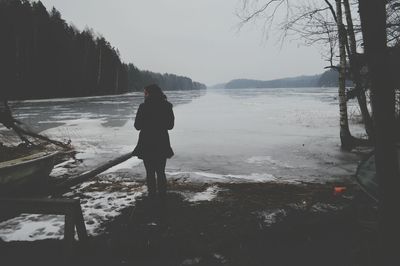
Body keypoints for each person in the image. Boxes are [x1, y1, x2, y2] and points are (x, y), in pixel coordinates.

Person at [132, 84, 174, 199]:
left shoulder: (143, 107)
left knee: (150, 173)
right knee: (161, 172)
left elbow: (137, 126)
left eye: (145, 93)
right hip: (162, 142)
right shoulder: (167, 106)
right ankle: (162, 196)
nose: (144, 95)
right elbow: (170, 126)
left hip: (147, 143)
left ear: (149, 93)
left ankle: (152, 196)